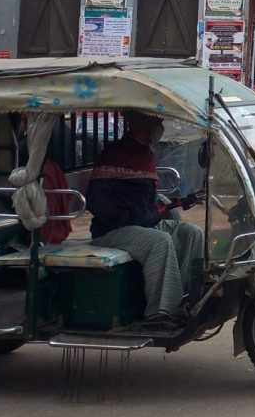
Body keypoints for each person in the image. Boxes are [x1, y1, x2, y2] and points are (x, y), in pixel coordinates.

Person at [85, 111, 203, 333]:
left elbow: (144, 198)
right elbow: (96, 200)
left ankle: (189, 298)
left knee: (192, 233)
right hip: (113, 230)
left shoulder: (145, 153)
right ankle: (161, 312)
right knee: (160, 241)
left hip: (142, 224)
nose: (159, 127)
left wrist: (164, 206)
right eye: (156, 122)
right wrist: (129, 217)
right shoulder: (116, 153)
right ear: (144, 124)